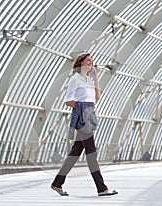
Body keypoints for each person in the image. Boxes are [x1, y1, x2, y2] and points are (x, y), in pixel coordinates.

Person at [50, 53, 118, 197]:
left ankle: (57, 183)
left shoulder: (88, 81)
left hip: (89, 118)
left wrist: (95, 78)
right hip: (82, 119)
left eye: (92, 61)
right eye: (88, 61)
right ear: (81, 63)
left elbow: (97, 98)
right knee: (91, 154)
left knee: (75, 153)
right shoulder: (75, 80)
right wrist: (84, 108)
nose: (90, 63)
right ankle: (102, 188)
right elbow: (68, 101)